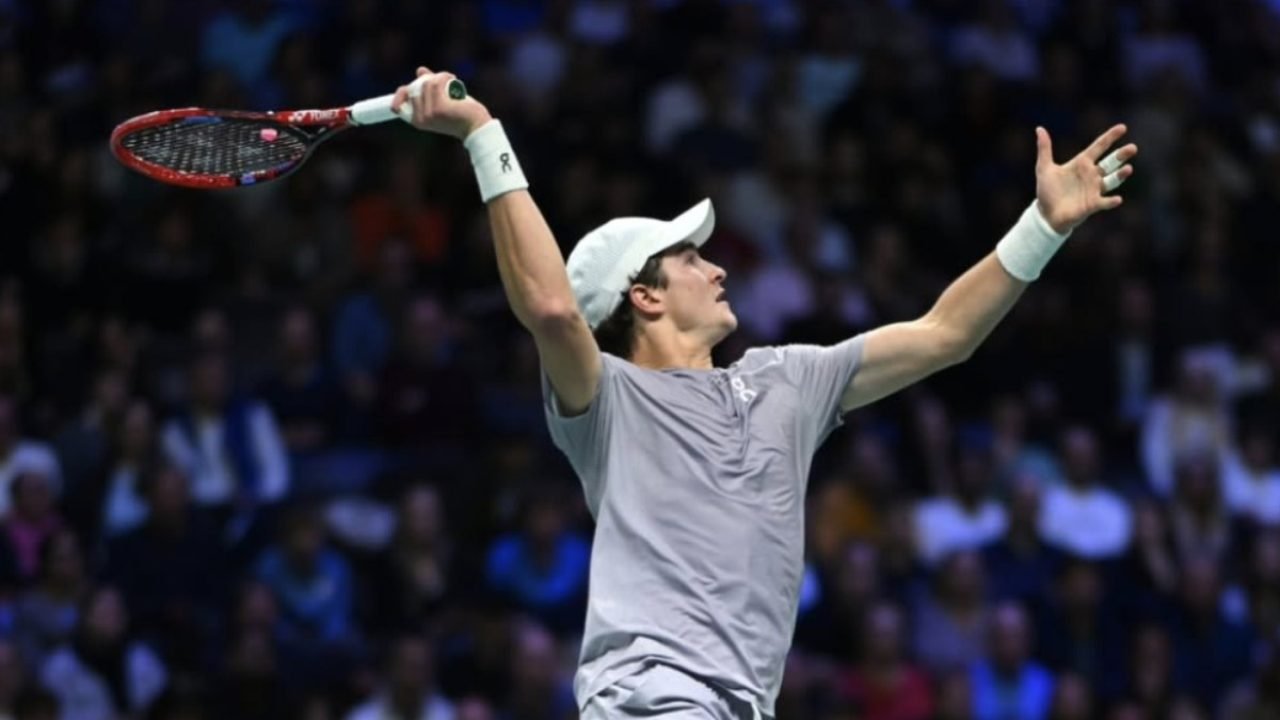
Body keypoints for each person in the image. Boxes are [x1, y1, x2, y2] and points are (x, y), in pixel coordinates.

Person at [392, 67, 1138, 719]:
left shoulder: (786, 379)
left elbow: (946, 334)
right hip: (651, 698)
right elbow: (552, 308)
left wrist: (1043, 226)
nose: (716, 269)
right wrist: (480, 132)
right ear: (643, 298)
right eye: (688, 259)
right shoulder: (605, 403)